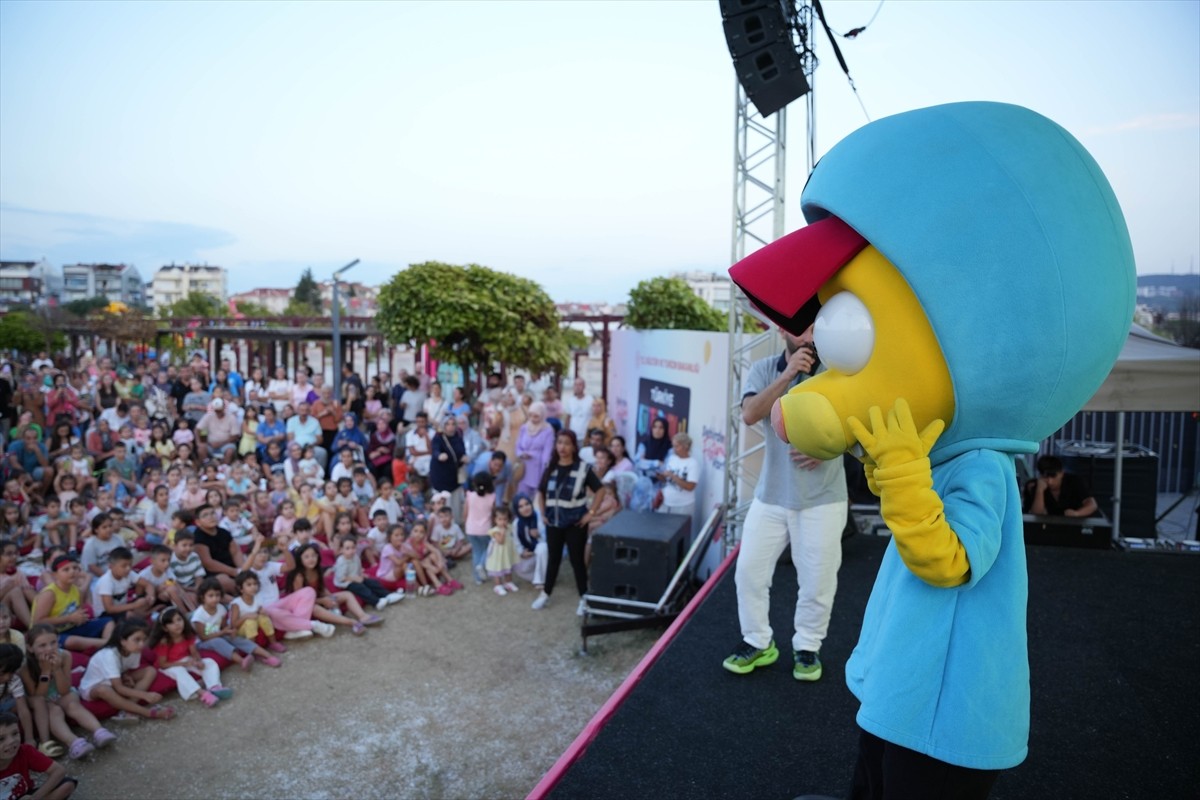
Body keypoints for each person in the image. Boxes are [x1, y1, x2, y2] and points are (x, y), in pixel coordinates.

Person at [722, 327, 848, 682]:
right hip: (770, 495)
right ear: (782, 331)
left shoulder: (837, 372)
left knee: (817, 581)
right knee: (748, 571)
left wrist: (830, 447)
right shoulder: (764, 368)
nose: (809, 336)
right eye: (801, 328)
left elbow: (858, 425)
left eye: (813, 327)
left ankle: (808, 647)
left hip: (823, 498)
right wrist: (789, 373)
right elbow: (749, 414)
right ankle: (758, 642)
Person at [537, 430, 609, 615]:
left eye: (567, 443)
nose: (562, 447)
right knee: (553, 558)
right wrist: (543, 512)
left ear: (573, 446)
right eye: (559, 443)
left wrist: (590, 513)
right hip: (554, 522)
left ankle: (583, 598)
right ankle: (546, 593)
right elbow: (541, 491)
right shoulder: (550, 467)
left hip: (576, 523)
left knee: (577, 561)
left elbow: (600, 490)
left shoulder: (583, 468)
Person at [20, 623, 115, 762]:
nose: (50, 648)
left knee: (72, 704)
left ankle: (99, 731)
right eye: (42, 645)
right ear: (30, 648)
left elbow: (64, 690)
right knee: (55, 711)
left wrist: (57, 669)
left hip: (61, 692)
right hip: (41, 699)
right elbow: (37, 695)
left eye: (53, 643)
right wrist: (46, 671)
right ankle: (74, 742)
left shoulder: (65, 656)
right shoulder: (25, 666)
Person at [78, 619, 175, 721]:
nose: (141, 644)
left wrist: (126, 676)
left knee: (150, 671)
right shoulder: (109, 655)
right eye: (137, 640)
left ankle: (129, 709)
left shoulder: (135, 651)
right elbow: (119, 687)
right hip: (94, 687)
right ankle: (148, 713)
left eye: (144, 639)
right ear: (123, 641)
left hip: (114, 680)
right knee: (104, 690)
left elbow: (124, 668)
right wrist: (145, 695)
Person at [147, 608, 232, 708]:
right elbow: (163, 664)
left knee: (209, 662)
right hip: (169, 666)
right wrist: (183, 664)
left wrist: (198, 661)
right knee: (179, 671)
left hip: (185, 659)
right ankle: (202, 694)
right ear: (165, 628)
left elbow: (194, 652)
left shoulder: (187, 635)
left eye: (179, 620)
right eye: (172, 623)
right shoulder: (164, 642)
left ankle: (214, 687)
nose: (177, 624)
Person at [190, 577, 279, 670]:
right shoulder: (199, 616)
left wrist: (231, 630)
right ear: (202, 597)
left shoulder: (221, 609)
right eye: (211, 596)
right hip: (204, 641)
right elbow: (203, 637)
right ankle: (242, 661)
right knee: (218, 642)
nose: (215, 599)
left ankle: (267, 655)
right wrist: (222, 632)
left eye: (217, 595)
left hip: (219, 634)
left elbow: (224, 626)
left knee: (236, 639)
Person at [0, 710, 77, 799]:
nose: (12, 741)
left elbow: (59, 770)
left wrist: (35, 797)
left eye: (15, 733)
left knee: (67, 785)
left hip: (25, 796)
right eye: (1, 739)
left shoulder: (25, 751)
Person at [332, 537, 403, 610]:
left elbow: (358, 568)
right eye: (347, 548)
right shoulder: (341, 562)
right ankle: (376, 602)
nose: (351, 551)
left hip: (357, 577)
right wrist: (354, 579)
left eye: (353, 548)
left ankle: (387, 595)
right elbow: (341, 578)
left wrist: (361, 574)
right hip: (345, 582)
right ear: (341, 550)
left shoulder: (355, 557)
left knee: (372, 582)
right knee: (361, 588)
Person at [1023, 455, 1099, 518]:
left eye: (1053, 476)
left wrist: (1077, 513)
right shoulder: (1033, 485)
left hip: (1076, 525)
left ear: (1061, 473)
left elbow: (1092, 504)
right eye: (1046, 477)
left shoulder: (1075, 481)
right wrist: (1039, 491)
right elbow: (1036, 514)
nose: (1050, 481)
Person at [430, 415, 467, 523]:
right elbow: (435, 450)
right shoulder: (438, 438)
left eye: (453, 424)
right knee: (441, 504)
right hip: (441, 477)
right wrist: (439, 456)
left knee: (455, 505)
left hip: (454, 478)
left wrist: (464, 457)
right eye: (447, 424)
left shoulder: (458, 437)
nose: (450, 427)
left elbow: (461, 451)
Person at [514, 402, 555, 500]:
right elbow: (518, 445)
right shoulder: (524, 427)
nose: (532, 419)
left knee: (537, 496)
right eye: (530, 415)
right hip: (524, 466)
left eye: (536, 416)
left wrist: (545, 469)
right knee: (522, 496)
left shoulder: (547, 430)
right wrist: (521, 454)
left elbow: (547, 451)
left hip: (538, 467)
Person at [656, 433, 699, 519]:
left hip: (683, 505)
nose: (674, 449)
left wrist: (673, 476)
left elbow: (690, 486)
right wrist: (661, 477)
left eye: (677, 446)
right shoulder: (672, 458)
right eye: (673, 446)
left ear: (685, 447)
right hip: (666, 502)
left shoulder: (692, 463)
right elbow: (667, 481)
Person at [463, 473, 496, 584]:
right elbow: (493, 515)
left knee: (476, 551)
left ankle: (478, 578)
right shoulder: (492, 497)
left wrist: (466, 524)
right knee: (488, 548)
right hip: (485, 529)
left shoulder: (470, 496)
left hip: (471, 528)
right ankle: (482, 565)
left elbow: (465, 513)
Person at [485, 505, 519, 596]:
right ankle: (498, 585)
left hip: (507, 553)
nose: (503, 522)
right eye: (500, 519)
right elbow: (500, 541)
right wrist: (503, 532)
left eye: (505, 519)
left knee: (508, 566)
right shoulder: (495, 531)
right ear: (495, 520)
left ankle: (508, 582)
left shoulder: (509, 527)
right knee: (498, 569)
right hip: (498, 555)